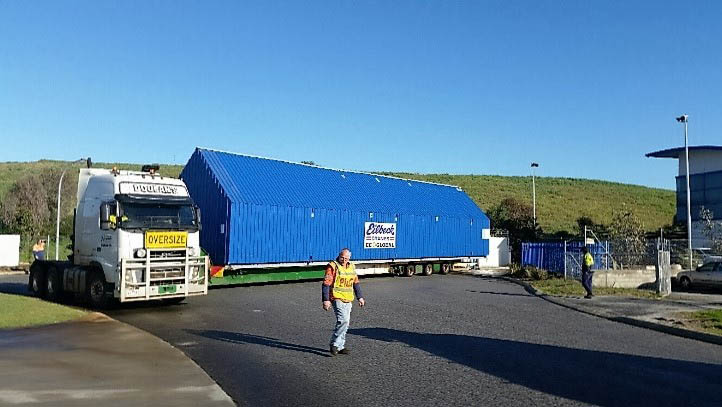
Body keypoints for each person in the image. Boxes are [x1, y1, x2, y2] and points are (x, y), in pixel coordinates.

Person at [322, 248, 365, 356]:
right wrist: (326, 300)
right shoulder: (333, 266)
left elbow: (356, 283)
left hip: (348, 298)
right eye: (342, 257)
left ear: (349, 258)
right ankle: (335, 344)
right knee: (343, 321)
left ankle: (340, 346)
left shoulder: (352, 267)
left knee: (346, 323)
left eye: (346, 258)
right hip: (337, 297)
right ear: (339, 255)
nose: (344, 260)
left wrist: (360, 297)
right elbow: (326, 283)